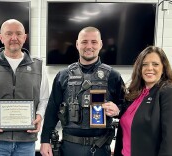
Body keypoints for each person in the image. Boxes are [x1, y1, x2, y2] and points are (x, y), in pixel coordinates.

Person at [40, 26, 125, 156]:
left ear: (101, 44)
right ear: (77, 44)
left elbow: (127, 109)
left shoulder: (113, 76)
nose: (89, 46)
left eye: (94, 42)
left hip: (100, 148)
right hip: (69, 148)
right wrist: (45, 140)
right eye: (84, 42)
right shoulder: (63, 75)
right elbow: (52, 109)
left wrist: (117, 110)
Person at [0, 19, 49, 156]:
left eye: (18, 34)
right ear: (1, 38)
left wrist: (39, 115)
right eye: (9, 34)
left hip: (26, 141)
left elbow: (44, 98)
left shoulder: (38, 66)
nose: (14, 38)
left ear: (24, 37)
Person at [114, 46, 172, 156]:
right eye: (144, 64)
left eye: (155, 64)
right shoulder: (134, 94)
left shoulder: (170, 92)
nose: (149, 68)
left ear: (163, 68)